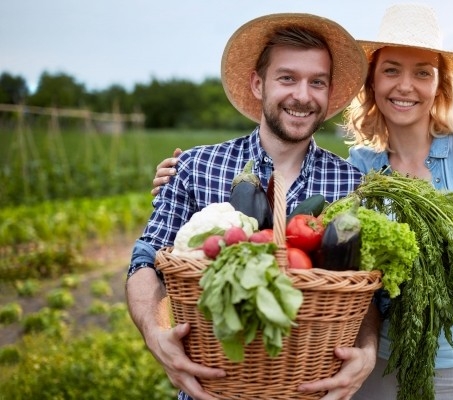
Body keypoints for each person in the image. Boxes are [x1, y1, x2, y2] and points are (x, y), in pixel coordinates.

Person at [153, 4, 453, 399]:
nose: (405, 85)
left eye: (423, 72)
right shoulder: (359, 171)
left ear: (439, 86)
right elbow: (350, 276)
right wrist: (177, 176)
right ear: (372, 82)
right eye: (391, 70)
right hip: (371, 370)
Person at [127, 13, 381, 400]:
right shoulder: (196, 167)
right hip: (213, 389)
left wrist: (367, 351)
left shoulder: (352, 186)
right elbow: (145, 258)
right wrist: (154, 332)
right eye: (287, 78)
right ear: (258, 83)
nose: (302, 95)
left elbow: (364, 293)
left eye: (317, 82)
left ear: (329, 93)